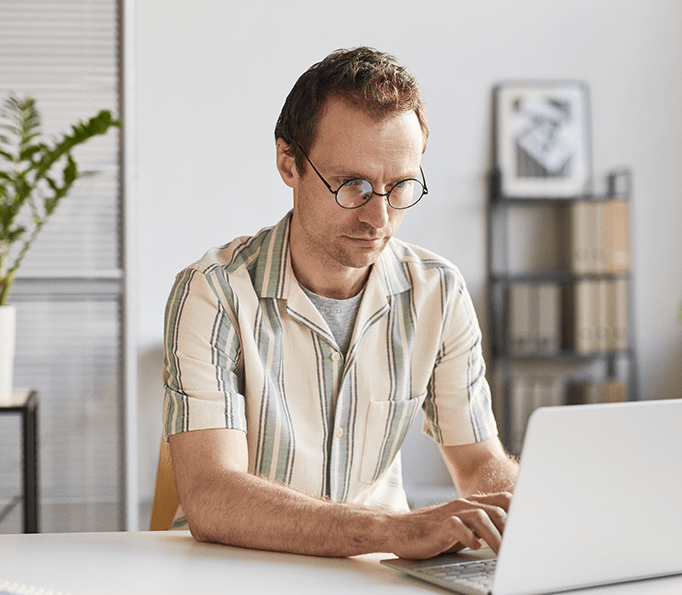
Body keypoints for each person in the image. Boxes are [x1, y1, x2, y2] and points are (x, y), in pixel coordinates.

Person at [162, 47, 519, 560]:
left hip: (376, 576)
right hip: (238, 572)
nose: (378, 218)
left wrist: (516, 509)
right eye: (352, 186)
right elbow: (213, 496)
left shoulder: (438, 291)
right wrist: (391, 531)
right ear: (289, 162)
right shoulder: (213, 292)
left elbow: (479, 460)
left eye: (400, 187)